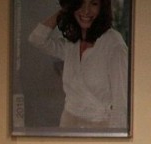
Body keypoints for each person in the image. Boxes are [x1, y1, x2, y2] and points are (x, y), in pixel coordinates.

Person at [29, 0, 128, 129]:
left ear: (102, 8)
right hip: (68, 123)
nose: (86, 11)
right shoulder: (72, 43)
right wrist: (65, 10)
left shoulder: (114, 45)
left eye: (93, 4)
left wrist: (114, 138)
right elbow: (36, 39)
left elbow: (121, 103)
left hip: (100, 126)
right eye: (80, 3)